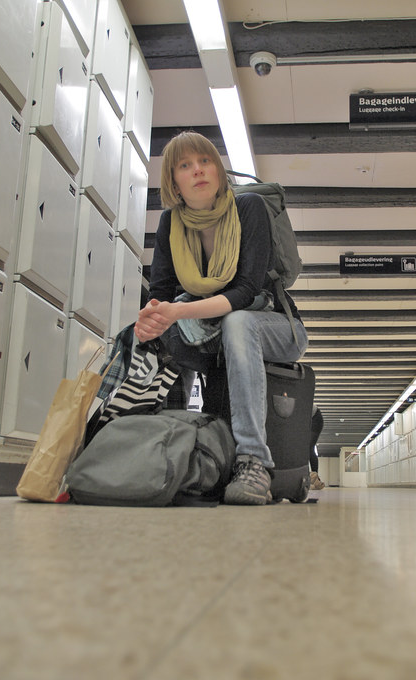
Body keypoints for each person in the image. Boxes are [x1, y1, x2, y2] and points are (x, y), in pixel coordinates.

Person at [135, 131, 309, 505]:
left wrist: (177, 311)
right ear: (174, 181)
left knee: (238, 321)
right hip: (209, 333)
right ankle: (167, 454)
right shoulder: (171, 224)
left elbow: (245, 292)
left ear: (218, 169)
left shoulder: (248, 209)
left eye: (205, 161)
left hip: (276, 328)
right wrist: (148, 321)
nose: (197, 170)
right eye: (185, 165)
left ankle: (253, 462)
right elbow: (161, 293)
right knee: (151, 338)